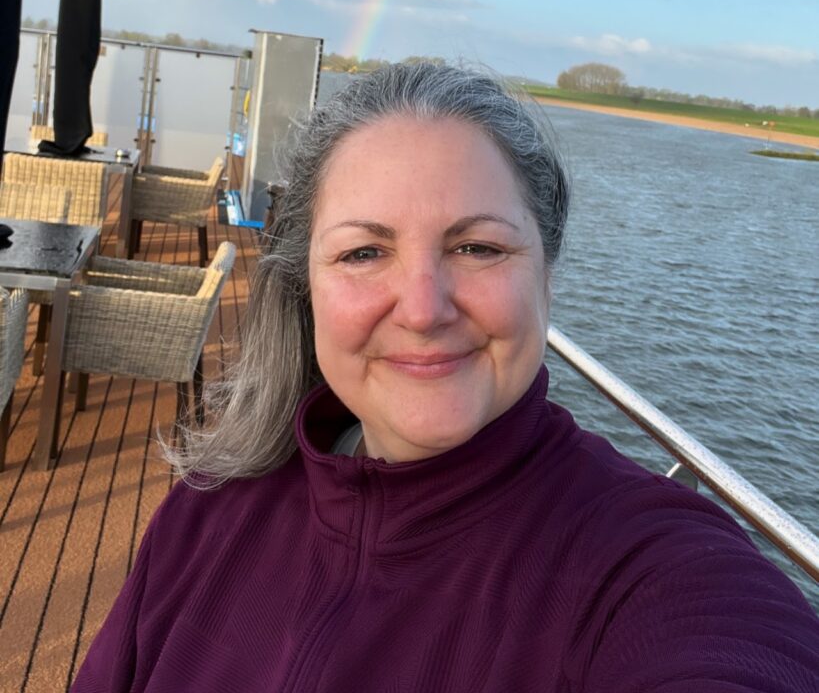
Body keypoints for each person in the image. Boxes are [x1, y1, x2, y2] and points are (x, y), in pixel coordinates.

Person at [73, 62, 818, 692]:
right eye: (364, 253)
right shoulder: (210, 512)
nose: (424, 309)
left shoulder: (648, 570)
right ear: (306, 286)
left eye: (477, 248)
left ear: (546, 276)